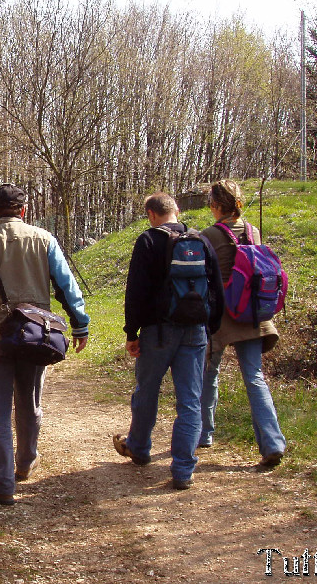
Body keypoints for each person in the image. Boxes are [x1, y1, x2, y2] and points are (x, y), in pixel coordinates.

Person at [0, 184, 90, 505]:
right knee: (30, 402)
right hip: (35, 335)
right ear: (24, 211)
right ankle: (26, 462)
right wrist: (79, 324)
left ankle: (2, 482)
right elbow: (67, 286)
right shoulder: (45, 239)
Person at [114, 192, 224, 490]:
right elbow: (216, 288)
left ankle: (139, 446)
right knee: (190, 399)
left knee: (147, 390)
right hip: (195, 331)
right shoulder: (201, 240)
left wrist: (132, 332)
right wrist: (211, 326)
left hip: (158, 331)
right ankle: (183, 470)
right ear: (176, 210)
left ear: (151, 214)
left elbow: (135, 291)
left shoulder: (148, 241)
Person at [199, 179, 287, 468]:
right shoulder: (253, 231)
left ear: (216, 206)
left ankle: (204, 433)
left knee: (208, 374)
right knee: (255, 377)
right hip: (251, 312)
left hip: (222, 314)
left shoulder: (208, 234)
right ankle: (272, 443)